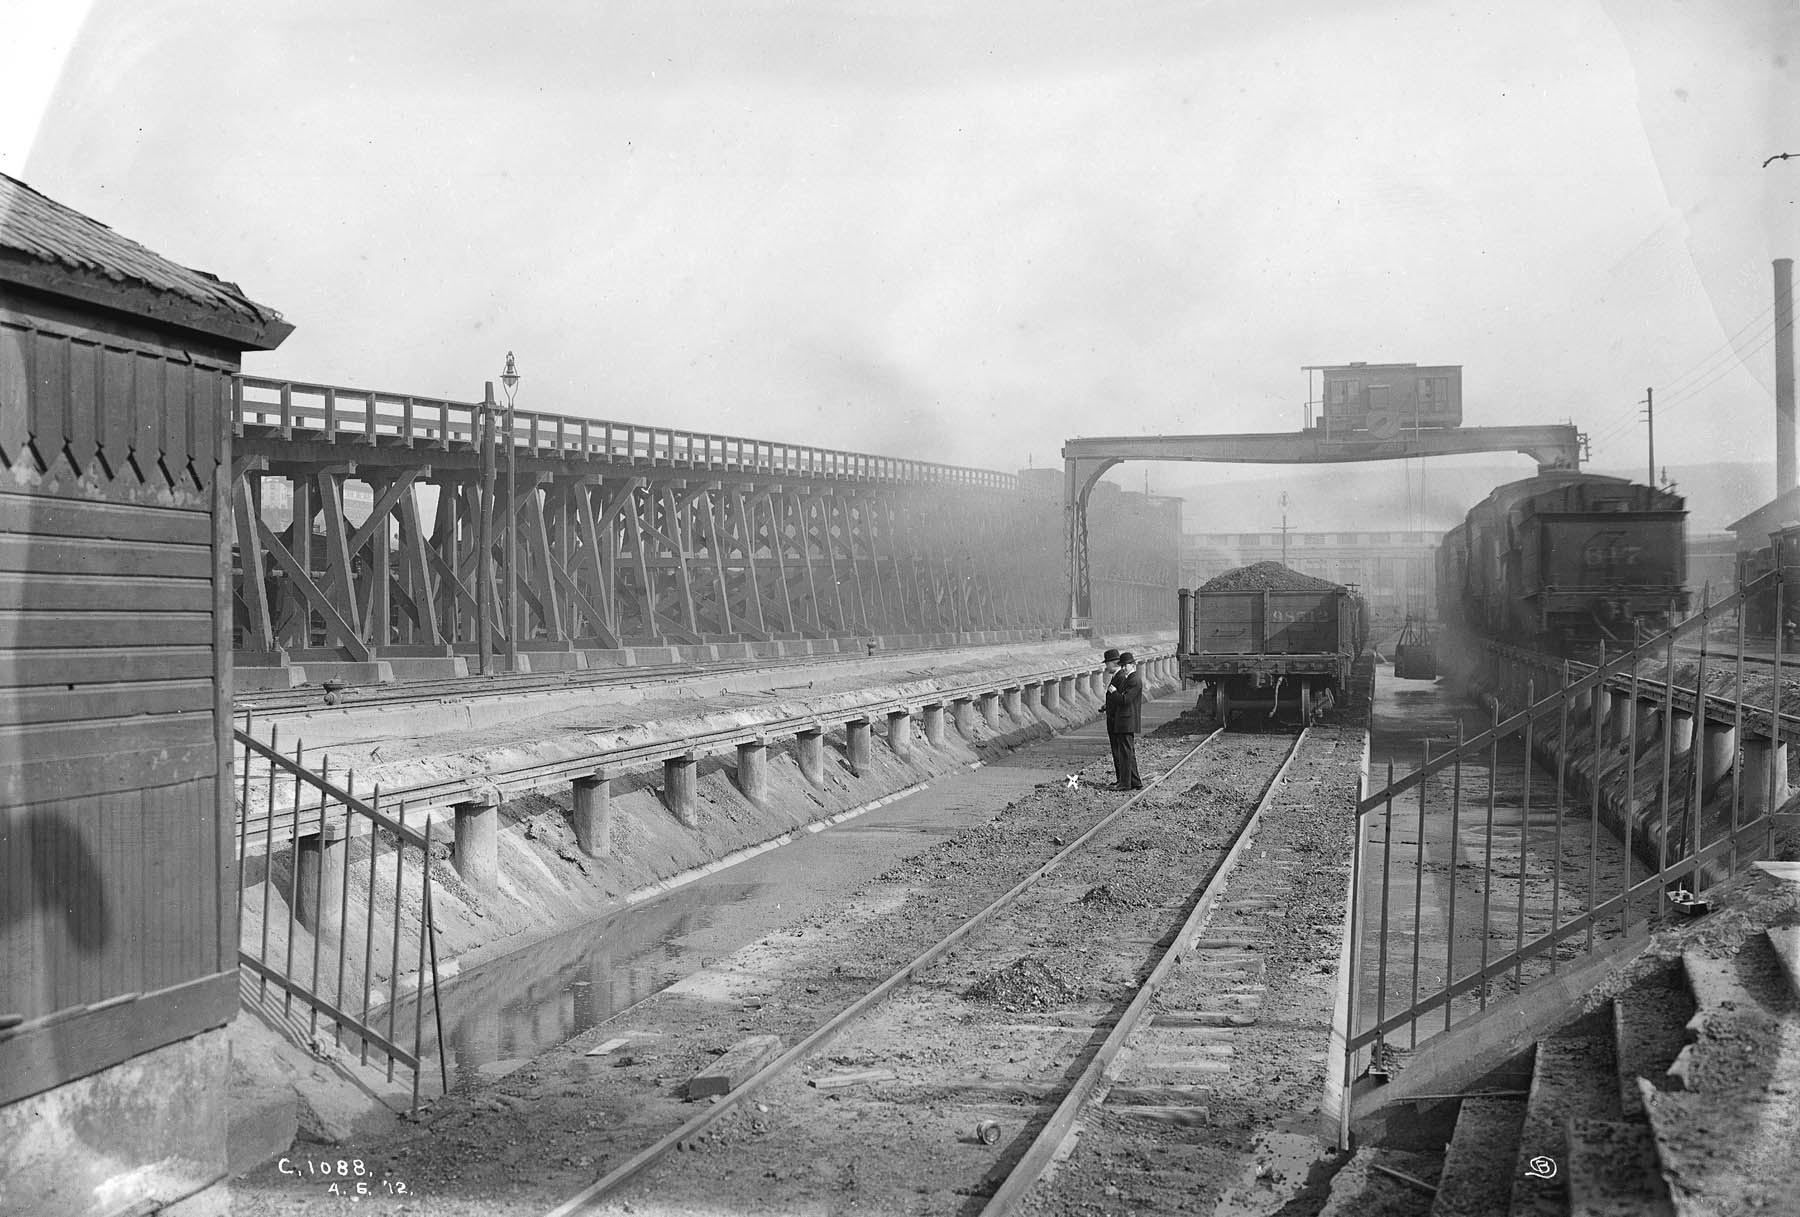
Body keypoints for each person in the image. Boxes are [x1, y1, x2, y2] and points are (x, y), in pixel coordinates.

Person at [1105, 651, 1144, 790]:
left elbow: (1125, 700)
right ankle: (1135, 781)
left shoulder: (1134, 680)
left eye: (1126, 665)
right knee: (1127, 752)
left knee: (1126, 753)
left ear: (1133, 665)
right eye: (1122, 665)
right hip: (1125, 720)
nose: (1124, 668)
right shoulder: (1129, 679)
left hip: (1127, 721)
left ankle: (1125, 784)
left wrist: (1114, 692)